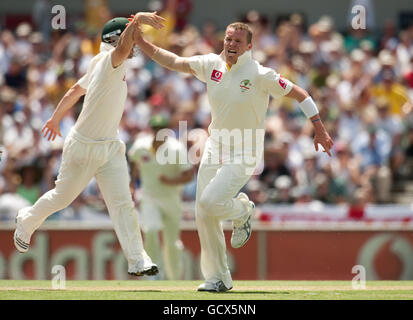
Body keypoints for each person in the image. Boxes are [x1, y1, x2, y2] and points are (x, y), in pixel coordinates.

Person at [134, 20, 333, 291]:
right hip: (217, 146)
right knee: (203, 212)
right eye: (228, 39)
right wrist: (142, 42)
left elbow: (300, 93)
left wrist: (319, 129)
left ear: (249, 46)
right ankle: (218, 278)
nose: (231, 44)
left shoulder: (260, 74)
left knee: (209, 202)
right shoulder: (210, 65)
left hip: (246, 149)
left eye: (238, 41)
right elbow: (174, 61)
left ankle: (243, 211)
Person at [13, 12, 166, 277]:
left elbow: (75, 91)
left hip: (110, 147)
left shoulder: (100, 62)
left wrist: (54, 119)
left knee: (122, 204)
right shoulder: (109, 60)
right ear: (119, 40)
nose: (137, 45)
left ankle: (138, 260)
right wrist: (138, 19)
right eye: (134, 39)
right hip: (84, 145)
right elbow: (121, 48)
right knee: (62, 198)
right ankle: (26, 221)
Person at [128, 114, 194, 280]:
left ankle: (175, 278)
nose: (158, 132)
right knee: (150, 230)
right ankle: (154, 274)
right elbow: (134, 164)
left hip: (171, 198)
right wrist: (131, 185)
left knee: (171, 243)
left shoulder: (177, 148)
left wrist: (170, 181)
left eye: (161, 129)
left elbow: (188, 175)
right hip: (149, 196)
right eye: (156, 129)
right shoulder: (141, 145)